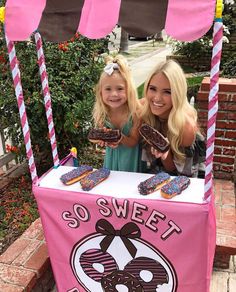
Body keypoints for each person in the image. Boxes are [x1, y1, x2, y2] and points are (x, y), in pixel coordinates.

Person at [141, 59, 205, 177]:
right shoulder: (145, 109)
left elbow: (181, 175)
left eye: (167, 92)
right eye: (153, 89)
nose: (157, 98)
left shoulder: (186, 127)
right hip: (152, 177)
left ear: (178, 94)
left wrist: (165, 155)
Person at [92, 55, 141, 172]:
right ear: (100, 92)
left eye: (120, 89)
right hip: (111, 160)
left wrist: (119, 138)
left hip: (131, 161)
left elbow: (134, 141)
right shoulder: (103, 113)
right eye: (108, 89)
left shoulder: (135, 113)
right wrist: (102, 139)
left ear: (129, 90)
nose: (114, 94)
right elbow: (94, 137)